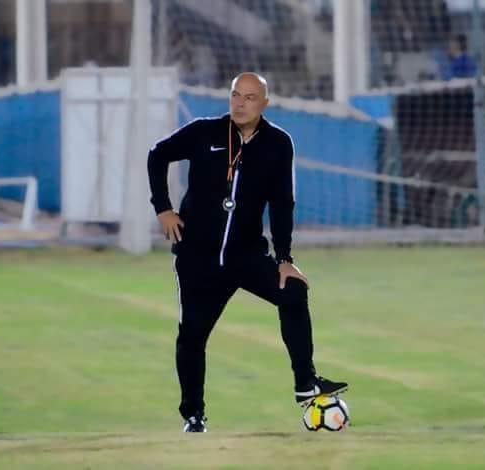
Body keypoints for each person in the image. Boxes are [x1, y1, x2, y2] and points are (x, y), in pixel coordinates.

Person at [147, 72, 348, 433]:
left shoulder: (278, 144)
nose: (240, 104)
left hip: (246, 256)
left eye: (250, 98)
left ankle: (306, 383)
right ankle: (193, 415)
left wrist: (284, 259)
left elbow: (282, 203)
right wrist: (163, 207)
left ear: (264, 104)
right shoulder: (204, 132)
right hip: (199, 258)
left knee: (293, 291)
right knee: (192, 336)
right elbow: (157, 155)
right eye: (235, 96)